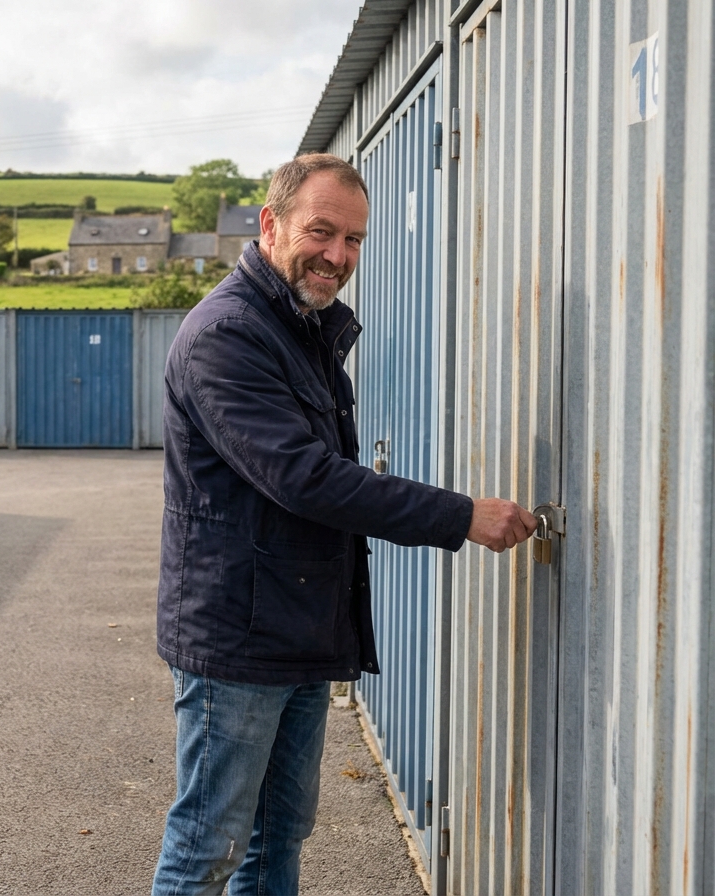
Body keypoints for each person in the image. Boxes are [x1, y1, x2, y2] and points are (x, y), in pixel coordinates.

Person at [151, 153, 537, 896]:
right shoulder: (226, 337)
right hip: (236, 638)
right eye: (321, 232)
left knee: (277, 839)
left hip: (294, 627)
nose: (337, 255)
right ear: (271, 224)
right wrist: (461, 516)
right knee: (209, 846)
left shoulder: (303, 324)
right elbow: (306, 478)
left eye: (353, 240)